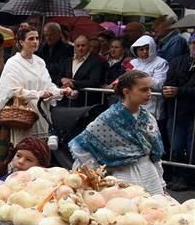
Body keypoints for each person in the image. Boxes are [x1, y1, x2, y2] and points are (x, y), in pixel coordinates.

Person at [0, 27, 72, 176]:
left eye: (37, 38)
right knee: (21, 151)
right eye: (31, 39)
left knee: (38, 153)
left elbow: (48, 84)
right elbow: (12, 89)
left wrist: (60, 91)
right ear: (21, 42)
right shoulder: (13, 62)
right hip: (21, 115)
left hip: (41, 113)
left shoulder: (40, 62)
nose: (35, 42)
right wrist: (38, 94)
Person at [70, 70, 166, 196]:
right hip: (124, 175)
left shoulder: (148, 118)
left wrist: (160, 180)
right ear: (126, 91)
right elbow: (81, 145)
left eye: (150, 89)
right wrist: (99, 170)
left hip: (149, 173)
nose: (149, 93)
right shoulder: (108, 118)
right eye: (144, 90)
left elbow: (155, 153)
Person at [162, 36, 195, 191]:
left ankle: (189, 180)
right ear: (189, 45)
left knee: (192, 147)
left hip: (192, 112)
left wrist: (180, 91)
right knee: (175, 146)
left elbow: (178, 88)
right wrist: (169, 90)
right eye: (194, 43)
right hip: (176, 112)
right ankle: (177, 177)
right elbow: (169, 82)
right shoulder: (177, 61)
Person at [58, 35, 108, 106]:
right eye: (78, 46)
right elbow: (59, 77)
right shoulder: (68, 61)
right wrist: (62, 80)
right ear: (74, 48)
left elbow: (94, 81)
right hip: (67, 102)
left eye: (83, 45)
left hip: (86, 103)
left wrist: (73, 83)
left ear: (88, 47)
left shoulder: (96, 62)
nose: (80, 48)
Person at [129, 35, 170, 118]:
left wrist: (139, 76)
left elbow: (160, 84)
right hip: (133, 106)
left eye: (147, 48)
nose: (144, 52)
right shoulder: (132, 63)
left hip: (152, 107)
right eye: (141, 49)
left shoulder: (161, 63)